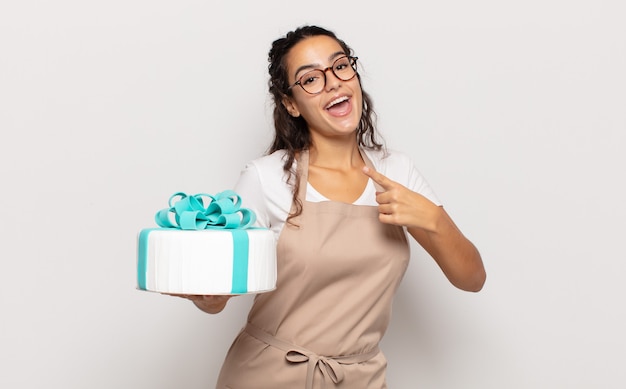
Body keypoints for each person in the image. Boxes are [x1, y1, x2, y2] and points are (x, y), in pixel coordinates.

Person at [181, 25, 486, 388]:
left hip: (360, 379)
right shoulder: (267, 179)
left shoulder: (396, 171)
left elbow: (471, 279)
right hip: (266, 376)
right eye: (310, 79)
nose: (333, 83)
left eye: (340, 66)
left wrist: (433, 219)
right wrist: (208, 298)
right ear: (291, 104)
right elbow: (218, 294)